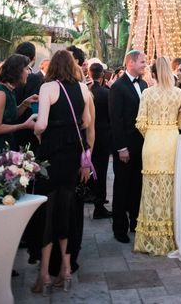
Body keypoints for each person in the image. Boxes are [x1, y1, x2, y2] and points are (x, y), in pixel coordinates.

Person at [33, 49, 92, 294]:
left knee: (47, 213)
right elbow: (86, 122)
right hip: (71, 156)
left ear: (53, 67)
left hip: (51, 154)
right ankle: (66, 269)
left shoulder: (48, 88)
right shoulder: (83, 89)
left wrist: (35, 127)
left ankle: (44, 274)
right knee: (65, 211)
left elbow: (42, 124)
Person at [134, 57, 181, 255]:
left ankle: (150, 239)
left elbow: (141, 122)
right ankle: (172, 236)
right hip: (172, 142)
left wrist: (151, 134)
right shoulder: (179, 93)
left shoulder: (147, 93)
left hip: (152, 142)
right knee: (171, 190)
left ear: (154, 73)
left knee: (151, 190)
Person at [108, 49, 147, 243]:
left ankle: (135, 222)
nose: (145, 65)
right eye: (142, 61)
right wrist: (121, 147)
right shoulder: (118, 87)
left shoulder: (144, 84)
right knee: (122, 186)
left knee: (137, 185)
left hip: (142, 145)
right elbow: (115, 120)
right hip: (125, 145)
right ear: (130, 63)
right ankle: (119, 228)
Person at [0, 54, 38, 156]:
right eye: (26, 69)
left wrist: (25, 103)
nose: (28, 72)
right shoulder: (0, 93)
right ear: (17, 71)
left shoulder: (9, 90)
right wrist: (24, 126)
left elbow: (10, 116)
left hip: (5, 144)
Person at [88, 62, 112, 219]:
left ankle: (91, 195)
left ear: (90, 73)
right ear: (102, 74)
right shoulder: (106, 92)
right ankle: (99, 203)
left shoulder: (86, 91)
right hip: (103, 136)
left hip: (89, 135)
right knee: (101, 170)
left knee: (91, 167)